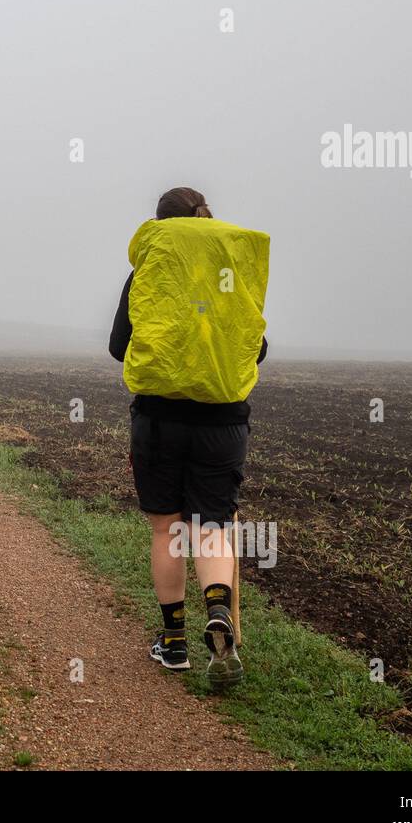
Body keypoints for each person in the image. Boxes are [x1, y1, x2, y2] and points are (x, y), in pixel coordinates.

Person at [108, 186, 269, 688]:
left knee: (168, 530)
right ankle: (218, 613)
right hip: (223, 421)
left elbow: (119, 347)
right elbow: (256, 348)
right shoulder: (231, 273)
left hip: (158, 418)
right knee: (213, 526)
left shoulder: (149, 272)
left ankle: (174, 642)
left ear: (160, 226)